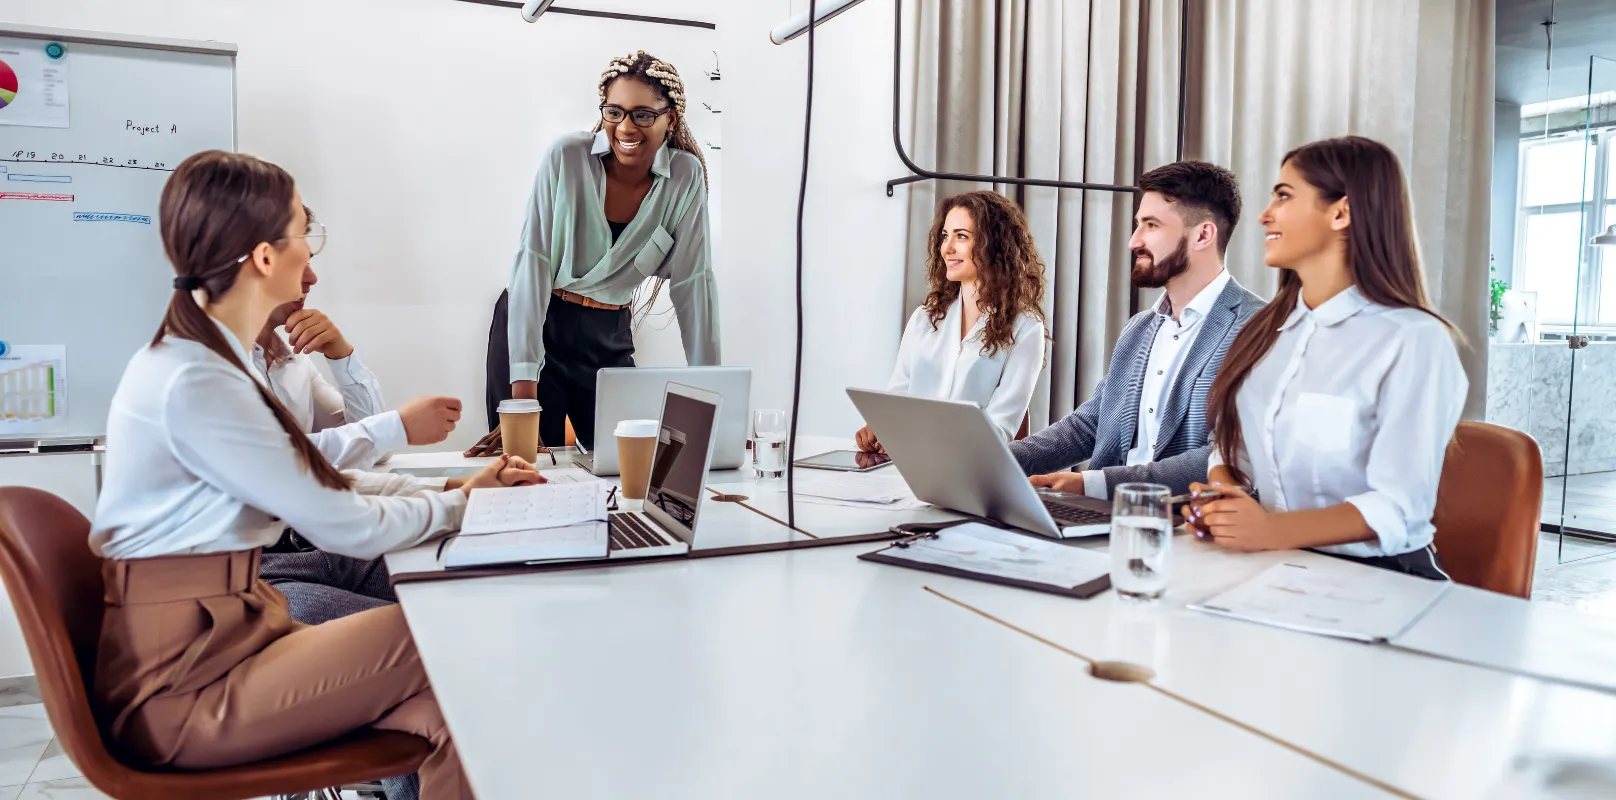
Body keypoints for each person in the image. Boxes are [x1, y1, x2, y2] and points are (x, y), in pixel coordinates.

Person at [90, 150, 541, 799]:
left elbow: (321, 480)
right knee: (449, 630)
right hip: (189, 688)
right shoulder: (196, 381)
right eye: (305, 233)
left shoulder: (205, 362)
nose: (312, 257)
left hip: (232, 644)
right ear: (265, 258)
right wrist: (460, 506)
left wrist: (450, 495)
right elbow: (340, 520)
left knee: (459, 719)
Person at [1186, 136, 1465, 580]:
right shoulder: (1265, 332)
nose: (1264, 215)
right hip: (1279, 565)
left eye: (1283, 196)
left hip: (1383, 577)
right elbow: (1233, 447)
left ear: (1341, 212)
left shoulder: (1413, 340)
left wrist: (1271, 530)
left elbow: (1399, 506)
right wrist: (1225, 496)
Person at [472, 50, 718, 455]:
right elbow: (531, 265)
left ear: (670, 118)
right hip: (540, 320)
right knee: (528, 465)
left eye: (642, 114)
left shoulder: (685, 177)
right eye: (614, 112)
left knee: (631, 463)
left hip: (609, 336)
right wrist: (522, 398)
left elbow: (694, 284)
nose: (626, 127)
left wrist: (713, 402)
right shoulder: (567, 158)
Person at [1011, 161, 1265, 498]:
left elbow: (1230, 456)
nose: (1134, 241)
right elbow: (1088, 426)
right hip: (1101, 514)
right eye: (1138, 225)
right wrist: (995, 460)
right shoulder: (1140, 328)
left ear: (1203, 235)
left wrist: (1093, 485)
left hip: (1184, 523)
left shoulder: (1257, 328)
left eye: (1151, 225)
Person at [252, 206, 463, 472]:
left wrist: (342, 355)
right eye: (298, 263)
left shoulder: (294, 359)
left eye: (309, 263)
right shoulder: (218, 360)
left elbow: (375, 453)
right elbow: (275, 462)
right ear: (259, 262)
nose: (312, 278)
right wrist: (398, 427)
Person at [854, 190, 1047, 449]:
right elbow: (896, 401)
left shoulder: (1026, 329)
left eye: (962, 237)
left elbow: (999, 430)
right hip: (906, 463)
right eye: (945, 236)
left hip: (970, 474)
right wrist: (879, 429)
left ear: (994, 245)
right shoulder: (925, 319)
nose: (947, 248)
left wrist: (923, 440)